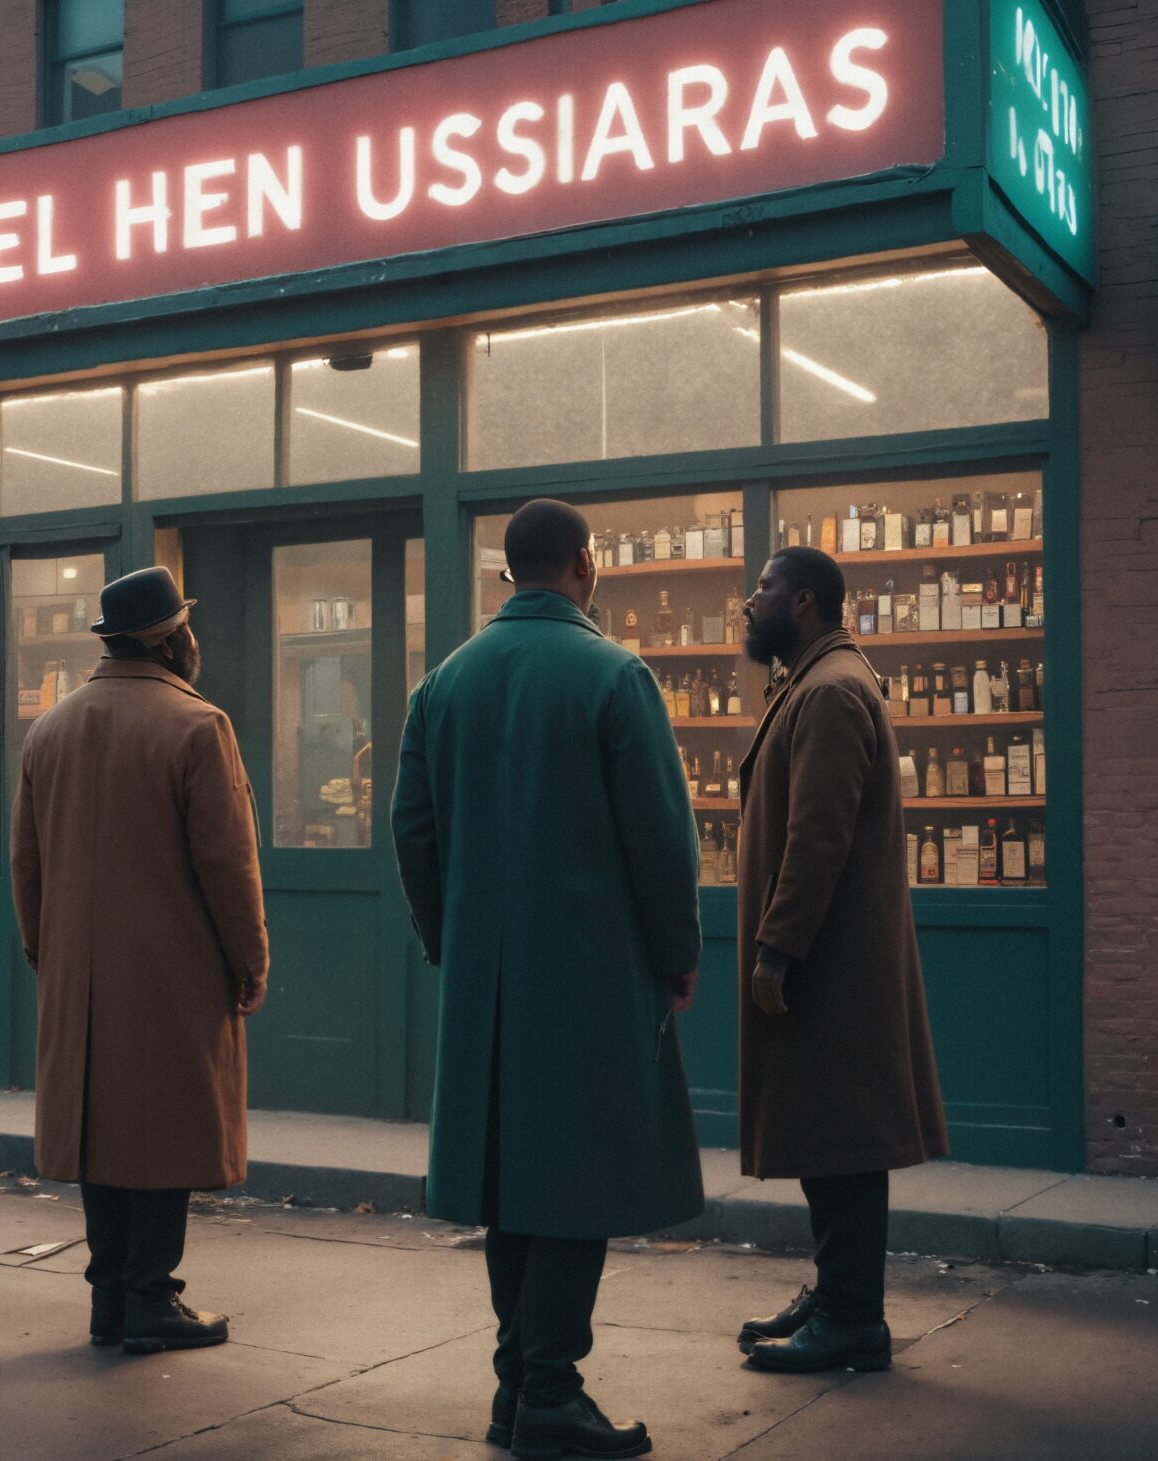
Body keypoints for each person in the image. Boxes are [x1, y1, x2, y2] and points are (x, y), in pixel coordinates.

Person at [393, 499, 704, 1460]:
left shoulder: (442, 682)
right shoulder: (615, 674)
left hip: (487, 980)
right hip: (591, 973)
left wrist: (454, 938)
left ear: (507, 574)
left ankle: (514, 1386)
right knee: (578, 1180)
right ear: (584, 564)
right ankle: (552, 1397)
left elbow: (413, 829)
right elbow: (660, 839)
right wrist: (676, 952)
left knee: (511, 1185)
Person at [11, 566, 267, 1355]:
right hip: (173, 973)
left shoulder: (49, 727)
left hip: (78, 974)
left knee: (101, 1136)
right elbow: (228, 863)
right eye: (186, 625)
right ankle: (152, 1301)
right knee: (163, 1136)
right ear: (168, 638)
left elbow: (25, 863)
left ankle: (111, 1298)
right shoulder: (196, 725)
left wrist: (46, 953)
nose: (195, 638)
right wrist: (249, 958)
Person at [731, 546, 948, 1373]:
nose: (752, 604)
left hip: (827, 961)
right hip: (829, 956)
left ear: (807, 601)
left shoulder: (829, 691)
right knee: (826, 1133)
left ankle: (855, 1315)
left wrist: (778, 948)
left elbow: (816, 837)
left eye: (766, 590)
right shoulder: (816, 683)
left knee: (843, 1139)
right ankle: (837, 1291)